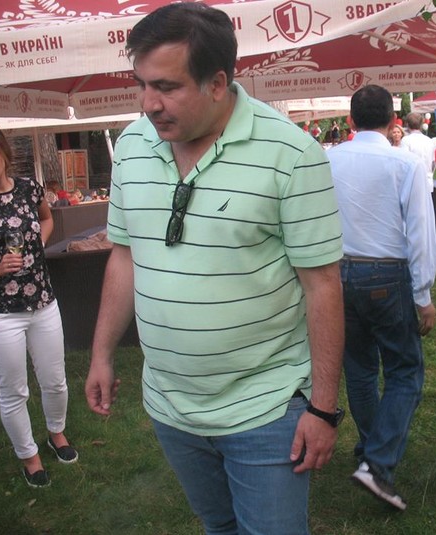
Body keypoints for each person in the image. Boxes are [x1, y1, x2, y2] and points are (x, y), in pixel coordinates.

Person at [83, 4, 344, 534]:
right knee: (218, 527)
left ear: (218, 83)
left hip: (266, 407)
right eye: (141, 84)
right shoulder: (131, 146)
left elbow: (322, 286)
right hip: (169, 406)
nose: (149, 104)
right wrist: (101, 355)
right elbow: (125, 255)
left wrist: (322, 408)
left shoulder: (292, 154)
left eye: (166, 86)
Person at [327, 85, 436, 511]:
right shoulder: (404, 163)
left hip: (339, 271)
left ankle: (371, 453)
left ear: (351, 121)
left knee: (358, 370)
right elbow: (420, 231)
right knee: (404, 371)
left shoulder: (327, 160)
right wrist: (423, 293)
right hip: (386, 274)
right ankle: (376, 462)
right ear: (393, 121)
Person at [0, 122, 78, 489]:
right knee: (14, 390)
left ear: (3, 152)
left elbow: (46, 218)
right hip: (0, 313)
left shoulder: (30, 188)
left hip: (43, 303)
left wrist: (38, 244)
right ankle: (29, 456)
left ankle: (56, 433)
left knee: (55, 381)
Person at [401, 112, 436, 192]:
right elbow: (433, 163)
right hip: (428, 181)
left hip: (412, 183)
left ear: (407, 124)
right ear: (421, 124)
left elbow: (403, 162)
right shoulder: (429, 141)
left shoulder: (406, 140)